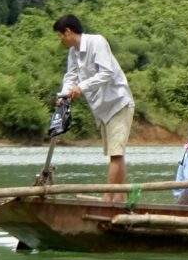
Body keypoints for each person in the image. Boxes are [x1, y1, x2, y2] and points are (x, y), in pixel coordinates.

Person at [54, 14, 134, 202]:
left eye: (60, 35)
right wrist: (64, 95)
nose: (60, 39)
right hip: (103, 109)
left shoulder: (96, 42)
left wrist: (81, 88)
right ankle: (119, 199)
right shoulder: (74, 52)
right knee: (116, 153)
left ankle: (107, 199)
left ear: (68, 31)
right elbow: (71, 77)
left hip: (118, 102)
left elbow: (106, 72)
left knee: (116, 153)